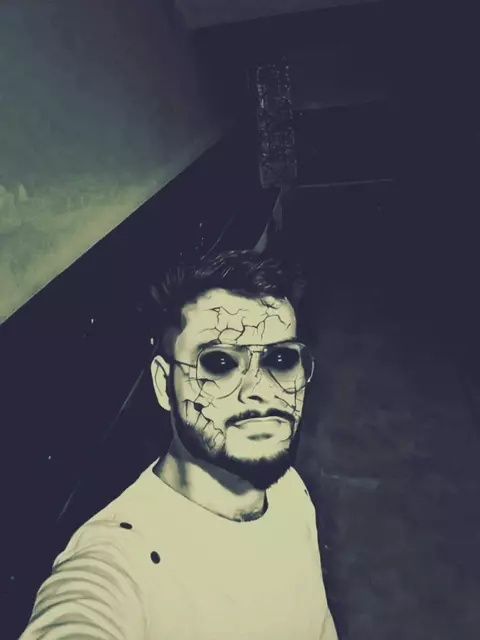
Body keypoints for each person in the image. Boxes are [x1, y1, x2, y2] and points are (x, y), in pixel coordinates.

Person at [19, 249, 338, 639]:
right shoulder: (121, 560)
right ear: (163, 384)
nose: (262, 389)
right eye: (219, 363)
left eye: (281, 359)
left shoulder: (289, 490)